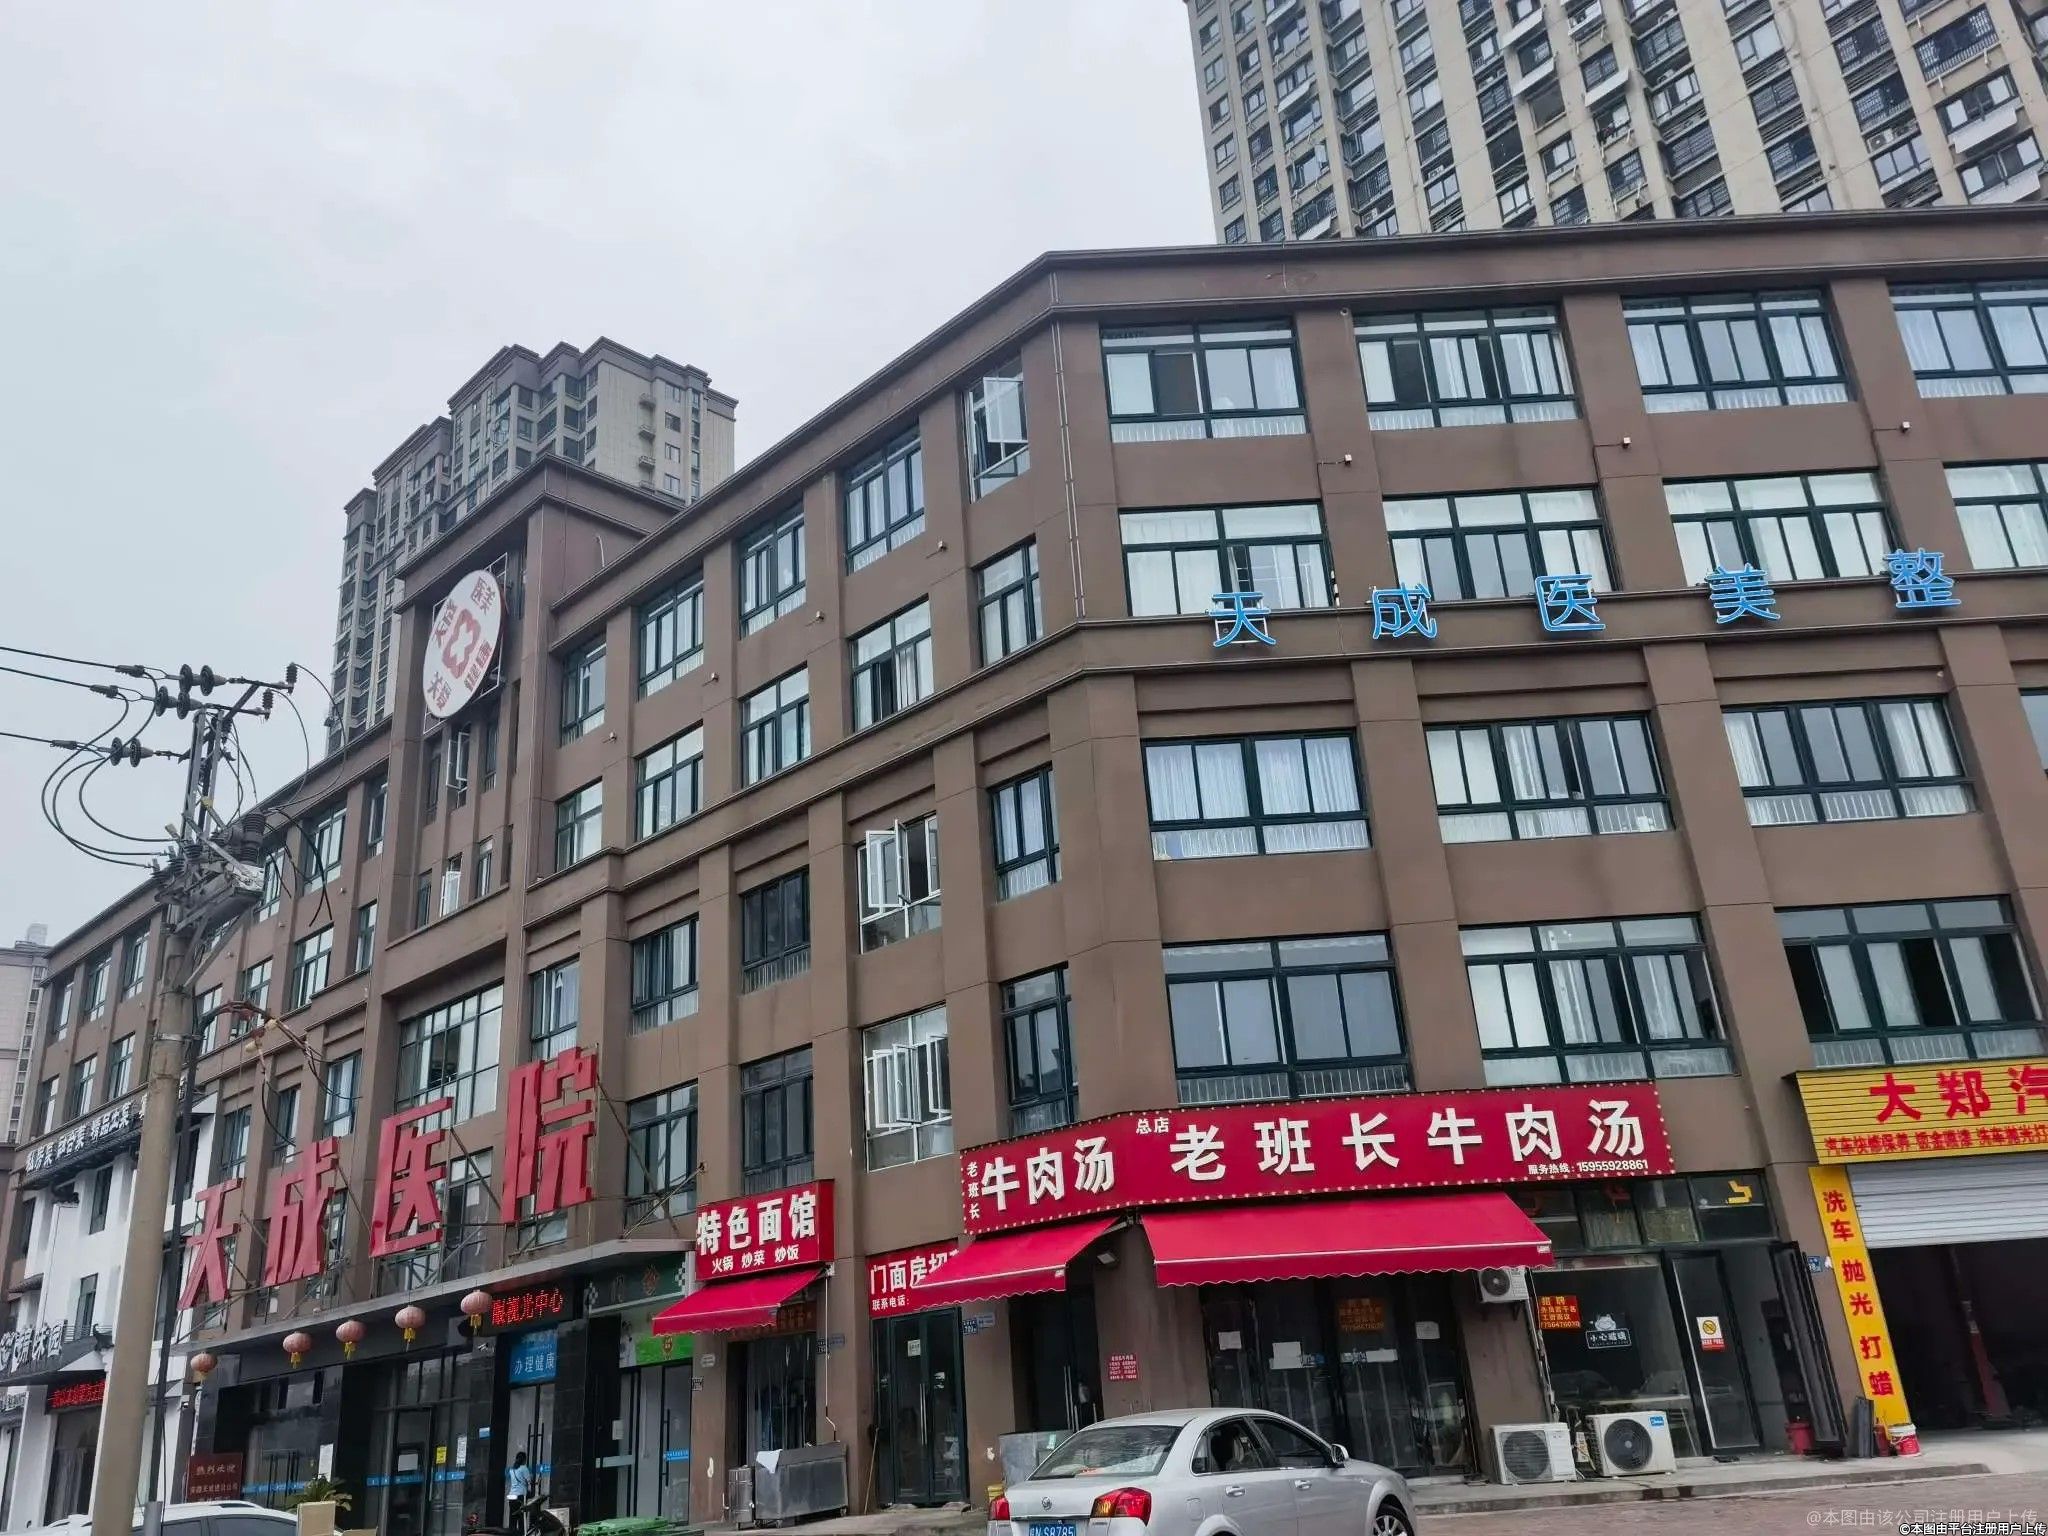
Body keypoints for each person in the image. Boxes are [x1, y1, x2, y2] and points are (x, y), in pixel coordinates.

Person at [506, 1451, 534, 1535]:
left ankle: (512, 1534)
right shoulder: (524, 1468)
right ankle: (521, 1534)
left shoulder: (512, 1470)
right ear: (524, 1459)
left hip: (511, 1496)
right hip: (520, 1496)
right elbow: (529, 1480)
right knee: (522, 1518)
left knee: (512, 1518)